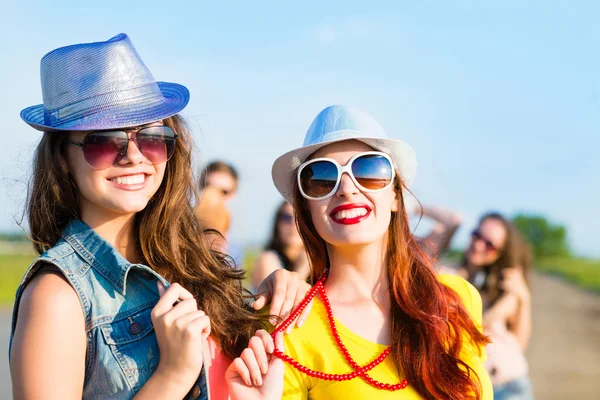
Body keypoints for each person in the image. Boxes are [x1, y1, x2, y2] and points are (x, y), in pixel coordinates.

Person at [9, 34, 312, 400]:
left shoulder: (188, 262)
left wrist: (279, 289)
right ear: (63, 159)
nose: (134, 156)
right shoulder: (57, 296)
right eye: (104, 141)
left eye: (152, 137)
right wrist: (173, 375)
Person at [225, 105, 493, 399]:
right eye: (321, 179)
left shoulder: (456, 300)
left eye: (368, 170)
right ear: (306, 210)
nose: (346, 188)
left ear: (394, 195)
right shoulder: (288, 327)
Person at [460, 212, 534, 399]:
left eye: (490, 244)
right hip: (472, 389)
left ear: (502, 252)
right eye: (476, 235)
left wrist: (523, 300)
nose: (478, 245)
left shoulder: (505, 286)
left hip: (509, 386)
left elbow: (519, 344)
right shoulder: (453, 276)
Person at [251, 201, 310, 290]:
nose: (293, 225)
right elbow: (278, 300)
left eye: (301, 219)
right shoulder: (268, 258)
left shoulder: (321, 264)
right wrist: (302, 269)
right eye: (286, 218)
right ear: (277, 223)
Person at [200, 160, 244, 267]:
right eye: (208, 187)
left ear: (234, 195)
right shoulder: (178, 236)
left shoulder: (235, 246)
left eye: (224, 192)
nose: (213, 196)